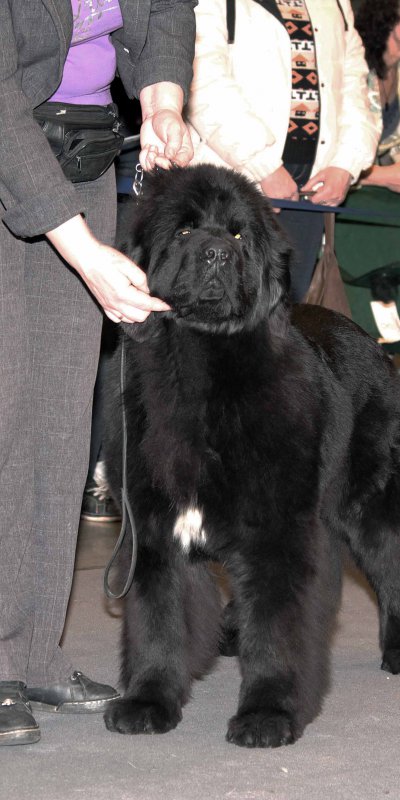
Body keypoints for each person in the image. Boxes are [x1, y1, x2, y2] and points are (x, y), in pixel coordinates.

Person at [0, 0, 196, 747]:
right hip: (15, 147)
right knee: (5, 408)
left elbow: (163, 11)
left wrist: (162, 101)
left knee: (56, 419)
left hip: (79, 157)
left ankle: (30, 652)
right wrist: (85, 254)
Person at [185, 0, 379, 302]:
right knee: (215, 314)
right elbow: (202, 80)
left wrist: (346, 164)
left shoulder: (338, 4)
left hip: (308, 198)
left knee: (285, 322)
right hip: (227, 190)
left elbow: (355, 87)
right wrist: (263, 166)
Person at [334, 0, 400, 294]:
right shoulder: (349, 67)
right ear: (389, 17)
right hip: (343, 211)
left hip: (381, 211)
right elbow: (325, 155)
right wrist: (381, 176)